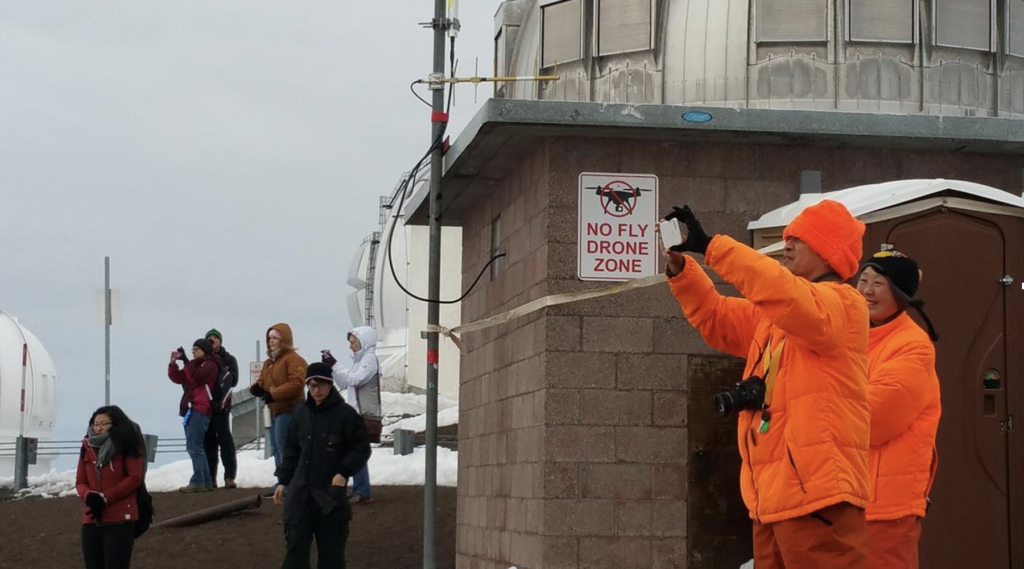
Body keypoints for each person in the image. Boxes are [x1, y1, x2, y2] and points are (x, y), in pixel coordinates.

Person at [661, 200, 871, 568]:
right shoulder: (777, 318)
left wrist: (712, 246)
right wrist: (682, 270)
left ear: (829, 254)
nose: (787, 245)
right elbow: (717, 317)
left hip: (816, 498)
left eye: (800, 239)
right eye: (787, 237)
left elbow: (785, 293)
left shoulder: (842, 305)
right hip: (774, 499)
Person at [856, 251, 941, 569]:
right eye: (862, 280)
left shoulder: (913, 346)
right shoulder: (853, 336)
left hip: (885, 505)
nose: (866, 290)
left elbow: (874, 419)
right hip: (843, 497)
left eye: (878, 283)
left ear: (901, 296)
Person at [274, 362, 371, 569]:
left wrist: (344, 471)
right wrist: (283, 481)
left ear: (330, 384)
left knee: (331, 556)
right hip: (300, 496)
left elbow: (361, 447)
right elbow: (291, 452)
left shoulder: (346, 414)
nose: (316, 390)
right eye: (312, 386)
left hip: (330, 496)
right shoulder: (300, 414)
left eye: (320, 385)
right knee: (295, 552)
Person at [76, 405, 146, 569]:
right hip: (92, 519)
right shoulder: (87, 447)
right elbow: (80, 481)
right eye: (95, 424)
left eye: (103, 424)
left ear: (115, 424)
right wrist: (89, 496)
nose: (98, 428)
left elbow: (135, 477)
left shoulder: (128, 444)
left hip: (120, 520)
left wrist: (106, 498)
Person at [322, 326, 380, 505]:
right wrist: (331, 368)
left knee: (356, 451)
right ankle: (355, 489)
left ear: (363, 341)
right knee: (350, 450)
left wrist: (334, 364)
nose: (351, 346)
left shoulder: (369, 359)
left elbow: (354, 380)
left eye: (353, 342)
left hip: (363, 414)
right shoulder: (360, 361)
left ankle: (362, 491)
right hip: (356, 413)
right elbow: (345, 382)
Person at [250, 323, 307, 490]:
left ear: (284, 340)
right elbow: (263, 381)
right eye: (269, 338)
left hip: (289, 410)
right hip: (274, 410)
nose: (271, 341)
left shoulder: (294, 359)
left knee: (285, 449)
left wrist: (274, 393)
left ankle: (289, 482)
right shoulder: (269, 362)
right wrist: (258, 388)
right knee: (276, 448)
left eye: (275, 338)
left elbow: (297, 383)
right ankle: (282, 482)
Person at [168, 338, 221, 492]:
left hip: (200, 408)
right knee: (197, 446)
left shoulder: (211, 365)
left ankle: (198, 480)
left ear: (204, 350)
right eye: (192, 350)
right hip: (192, 408)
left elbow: (197, 378)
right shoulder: (195, 365)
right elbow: (178, 378)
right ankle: (206, 481)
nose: (193, 352)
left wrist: (185, 361)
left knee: (194, 446)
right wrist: (173, 364)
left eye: (196, 349)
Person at [203, 328, 240, 489]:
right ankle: (211, 479)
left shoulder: (229, 359)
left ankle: (229, 477)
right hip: (206, 408)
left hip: (222, 407)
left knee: (225, 441)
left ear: (220, 341)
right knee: (208, 443)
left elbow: (234, 380)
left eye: (215, 338)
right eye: (209, 338)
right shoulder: (203, 360)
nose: (212, 340)